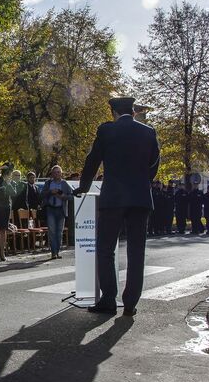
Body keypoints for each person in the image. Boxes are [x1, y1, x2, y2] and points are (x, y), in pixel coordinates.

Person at [74, 96, 161, 316]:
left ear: (113, 112)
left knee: (105, 249)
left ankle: (108, 299)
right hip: (140, 199)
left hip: (113, 198)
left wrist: (84, 187)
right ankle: (130, 302)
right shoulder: (148, 132)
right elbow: (154, 163)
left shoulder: (106, 131)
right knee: (136, 251)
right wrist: (142, 183)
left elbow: (92, 160)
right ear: (133, 112)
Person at [41, 165, 73, 259]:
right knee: (52, 231)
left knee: (59, 232)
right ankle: (53, 252)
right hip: (51, 209)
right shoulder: (48, 183)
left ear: (61, 173)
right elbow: (42, 194)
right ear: (52, 174)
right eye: (55, 172)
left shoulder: (64, 184)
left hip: (61, 210)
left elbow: (71, 196)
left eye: (58, 172)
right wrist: (51, 192)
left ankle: (57, 251)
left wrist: (63, 196)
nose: (57, 174)